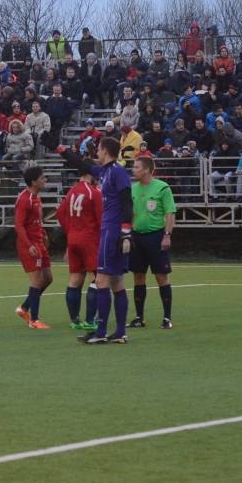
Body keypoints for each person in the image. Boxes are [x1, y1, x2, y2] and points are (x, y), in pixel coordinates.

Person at [79, 137, 133, 344]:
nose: (97, 153)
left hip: (112, 232)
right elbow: (84, 165)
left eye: (99, 150)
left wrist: (126, 232)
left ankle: (101, 332)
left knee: (101, 281)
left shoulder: (117, 172)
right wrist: (60, 150)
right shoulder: (106, 171)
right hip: (111, 231)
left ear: (106, 151)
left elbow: (127, 201)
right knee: (117, 281)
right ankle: (119, 332)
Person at [128, 154, 176, 329]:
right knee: (138, 276)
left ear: (147, 169)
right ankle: (139, 317)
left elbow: (170, 213)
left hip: (156, 237)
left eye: (137, 167)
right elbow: (130, 213)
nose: (134, 170)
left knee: (161, 277)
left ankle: (167, 318)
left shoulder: (162, 188)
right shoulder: (133, 188)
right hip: (137, 237)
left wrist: (167, 235)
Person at [57, 161, 102, 330]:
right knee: (97, 278)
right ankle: (91, 320)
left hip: (73, 238)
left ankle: (75, 321)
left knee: (75, 278)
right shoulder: (94, 193)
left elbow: (60, 214)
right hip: (90, 239)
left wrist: (71, 231)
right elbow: (101, 220)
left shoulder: (72, 191)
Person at [13, 165, 53, 329]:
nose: (45, 180)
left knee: (48, 278)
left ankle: (24, 308)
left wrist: (43, 235)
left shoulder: (36, 197)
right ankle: (34, 320)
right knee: (36, 281)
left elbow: (36, 221)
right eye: (42, 178)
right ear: (34, 181)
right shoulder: (24, 199)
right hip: (29, 245)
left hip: (38, 242)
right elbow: (19, 225)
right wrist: (29, 245)